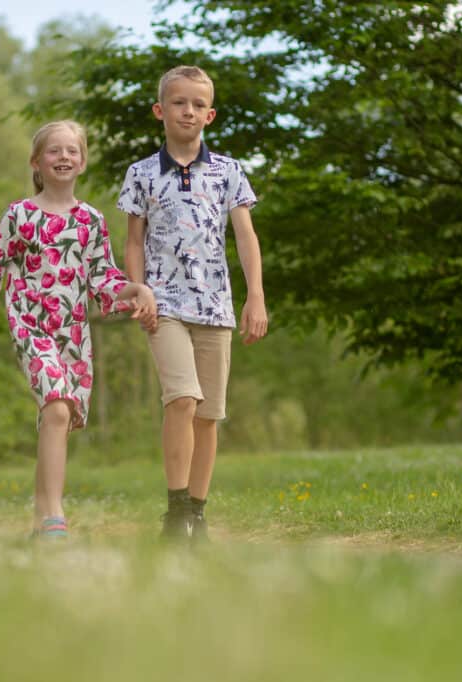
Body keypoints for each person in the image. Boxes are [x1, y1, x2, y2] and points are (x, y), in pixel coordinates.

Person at [0, 120, 157, 540]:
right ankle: (54, 516)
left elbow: (104, 280)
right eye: (54, 151)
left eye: (71, 151)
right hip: (29, 326)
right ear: (36, 163)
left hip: (72, 333)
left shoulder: (91, 221)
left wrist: (136, 288)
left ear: (82, 162)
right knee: (58, 407)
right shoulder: (19, 215)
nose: (63, 157)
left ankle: (40, 516)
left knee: (56, 417)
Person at [117, 65, 268, 543]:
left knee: (209, 415)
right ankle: (175, 511)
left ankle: (197, 515)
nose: (188, 111)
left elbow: (245, 237)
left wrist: (255, 299)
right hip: (163, 306)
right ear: (161, 111)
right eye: (179, 103)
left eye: (198, 104)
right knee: (182, 399)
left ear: (210, 115)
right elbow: (134, 242)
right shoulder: (141, 173)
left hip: (216, 306)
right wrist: (138, 289)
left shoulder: (229, 171)